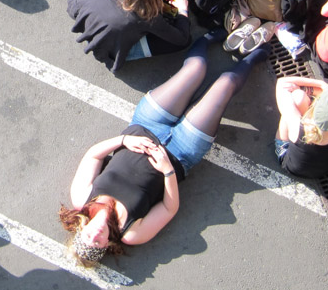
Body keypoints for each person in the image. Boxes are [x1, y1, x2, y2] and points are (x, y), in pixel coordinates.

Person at [59, 32, 268, 265]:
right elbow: (169, 209)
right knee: (225, 84)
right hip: (180, 152)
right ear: (108, 244)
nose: (95, 235)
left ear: (82, 228)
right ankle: (264, 49)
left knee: (196, 68)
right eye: (97, 242)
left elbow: (92, 156)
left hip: (146, 125)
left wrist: (123, 141)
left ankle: (211, 36)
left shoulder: (82, 199)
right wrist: (167, 170)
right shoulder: (130, 233)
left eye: (88, 236)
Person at [67, 0, 192, 72]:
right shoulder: (147, 16)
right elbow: (181, 39)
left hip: (90, 20)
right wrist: (182, 11)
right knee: (185, 41)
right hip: (109, 48)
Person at [274, 78, 328, 179]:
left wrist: (320, 84)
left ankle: (281, 147)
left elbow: (282, 82)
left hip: (291, 166)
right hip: (324, 170)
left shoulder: (299, 127)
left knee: (298, 97)